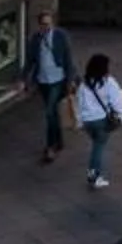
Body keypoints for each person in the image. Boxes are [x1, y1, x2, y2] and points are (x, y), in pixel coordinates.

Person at [27, 9, 76, 164]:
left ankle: (50, 147)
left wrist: (70, 80)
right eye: (43, 24)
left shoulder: (61, 36)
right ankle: (59, 141)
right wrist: (23, 79)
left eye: (49, 24)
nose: (46, 27)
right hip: (43, 81)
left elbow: (68, 59)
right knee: (53, 112)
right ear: (39, 25)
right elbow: (30, 61)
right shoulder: (36, 39)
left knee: (49, 113)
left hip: (57, 81)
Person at [75, 53, 122, 189]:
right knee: (98, 148)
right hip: (101, 121)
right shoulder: (109, 82)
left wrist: (80, 121)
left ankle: (93, 174)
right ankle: (94, 175)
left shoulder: (84, 84)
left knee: (96, 144)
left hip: (88, 122)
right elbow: (117, 102)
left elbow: (79, 103)